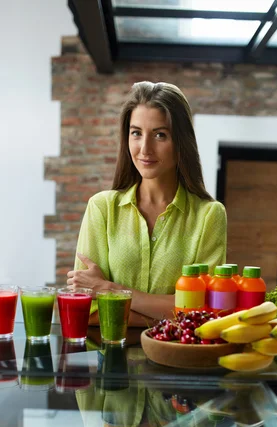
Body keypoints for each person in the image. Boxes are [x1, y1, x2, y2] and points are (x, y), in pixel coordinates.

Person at [67, 81, 226, 326]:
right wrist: (170, 312)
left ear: (181, 141)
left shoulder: (208, 216)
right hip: (109, 358)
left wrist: (109, 290)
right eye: (136, 133)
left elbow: (204, 313)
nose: (145, 149)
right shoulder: (102, 208)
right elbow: (87, 311)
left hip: (176, 361)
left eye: (160, 135)